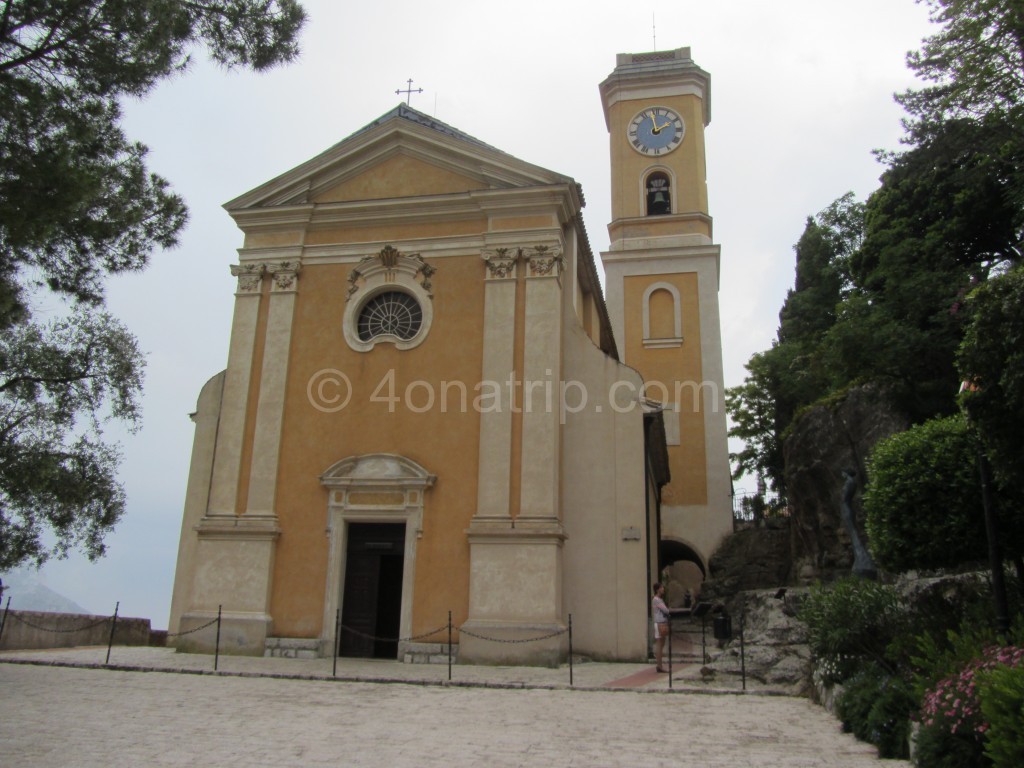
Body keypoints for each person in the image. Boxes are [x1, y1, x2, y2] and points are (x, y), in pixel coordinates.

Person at [652, 582, 671, 672]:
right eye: (661, 587)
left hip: (662, 622)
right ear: (657, 589)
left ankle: (660, 665)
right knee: (659, 644)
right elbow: (666, 610)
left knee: (662, 643)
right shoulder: (657, 600)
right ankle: (659, 665)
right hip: (659, 623)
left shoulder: (659, 599)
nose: (663, 589)